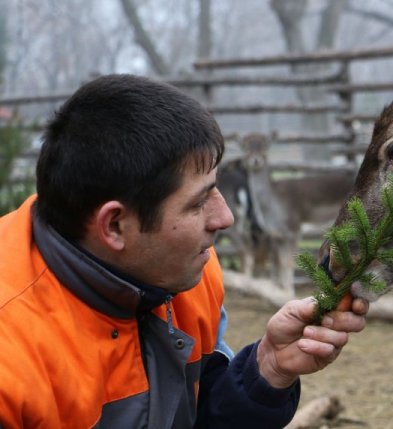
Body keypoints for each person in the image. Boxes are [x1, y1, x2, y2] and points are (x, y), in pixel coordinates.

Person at [0, 74, 368, 428]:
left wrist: (266, 371)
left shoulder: (190, 274)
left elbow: (200, 416)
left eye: (216, 187)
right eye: (197, 203)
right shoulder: (12, 359)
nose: (224, 217)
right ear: (114, 226)